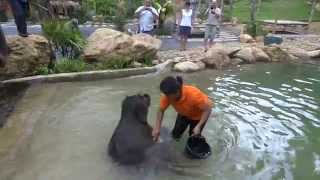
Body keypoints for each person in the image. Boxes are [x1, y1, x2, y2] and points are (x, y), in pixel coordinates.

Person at [152, 76, 214, 142]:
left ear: (177, 92)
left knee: (193, 137)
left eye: (168, 95)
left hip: (198, 117)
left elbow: (208, 109)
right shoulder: (168, 96)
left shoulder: (194, 95)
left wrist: (199, 126)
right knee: (175, 135)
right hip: (183, 114)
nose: (166, 97)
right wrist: (157, 127)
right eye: (165, 94)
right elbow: (161, 110)